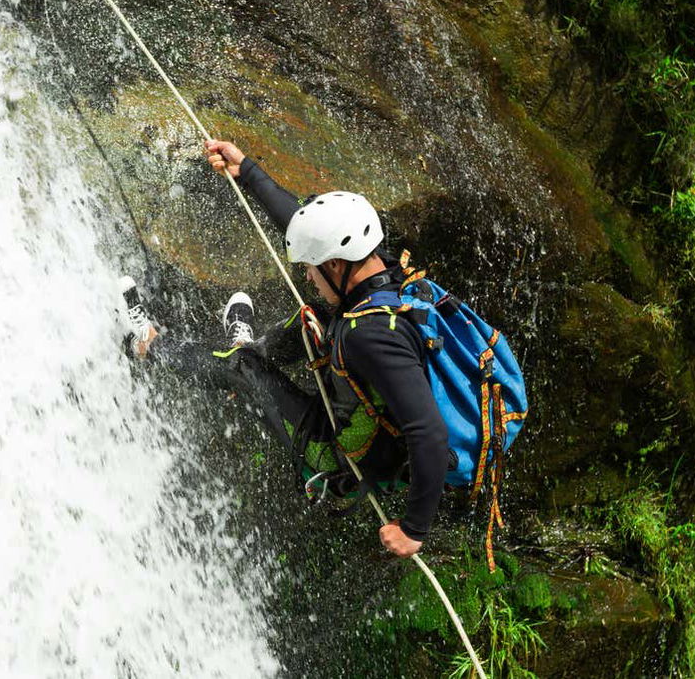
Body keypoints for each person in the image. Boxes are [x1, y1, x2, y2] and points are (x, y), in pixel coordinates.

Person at [120, 140, 450, 558]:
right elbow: (307, 226)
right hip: (368, 418)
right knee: (313, 317)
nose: (308, 275)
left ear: (335, 264)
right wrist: (247, 172)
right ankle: (246, 343)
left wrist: (414, 528)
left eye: (311, 268)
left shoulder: (374, 336)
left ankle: (146, 344)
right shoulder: (382, 272)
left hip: (340, 454)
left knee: (246, 369)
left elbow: (429, 433)